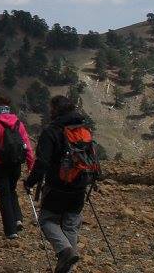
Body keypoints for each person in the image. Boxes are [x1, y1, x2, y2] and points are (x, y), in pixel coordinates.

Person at [24, 95, 93, 273]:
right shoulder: (83, 129)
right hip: (80, 186)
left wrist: (30, 182)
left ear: (55, 110)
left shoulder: (51, 131)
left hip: (57, 187)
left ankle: (65, 251)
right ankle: (67, 267)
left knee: (47, 220)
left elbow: (42, 163)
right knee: (71, 225)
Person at [0, 96, 35, 239]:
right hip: (16, 164)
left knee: (4, 195)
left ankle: (11, 230)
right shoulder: (18, 123)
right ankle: (18, 219)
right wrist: (30, 164)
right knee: (12, 190)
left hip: (0, 164)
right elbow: (27, 146)